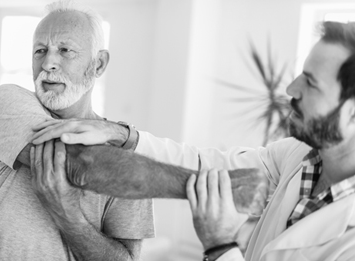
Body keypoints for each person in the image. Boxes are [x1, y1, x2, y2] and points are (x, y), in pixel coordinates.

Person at [29, 21, 355, 260]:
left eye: (311, 83)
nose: (291, 89)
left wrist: (221, 245)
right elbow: (204, 164)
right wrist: (121, 134)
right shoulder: (298, 156)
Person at [0, 1, 154, 260]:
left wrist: (70, 219)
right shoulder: (7, 103)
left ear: (99, 64)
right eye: (40, 50)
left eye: (65, 50)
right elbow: (70, 163)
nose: (48, 63)